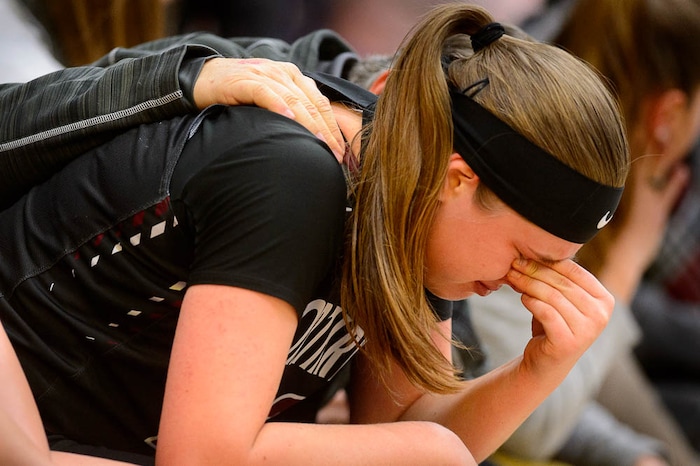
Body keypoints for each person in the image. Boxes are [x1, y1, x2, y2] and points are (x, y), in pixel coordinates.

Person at [0, 3, 629, 464]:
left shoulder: (415, 216)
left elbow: (407, 427)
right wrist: (427, 451)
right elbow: (204, 457)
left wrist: (537, 368)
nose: (523, 284)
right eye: (528, 255)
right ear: (457, 180)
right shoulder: (293, 168)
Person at [470, 0, 700, 464]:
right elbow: (531, 421)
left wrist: (635, 452)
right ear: (668, 115)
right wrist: (628, 259)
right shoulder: (539, 169)